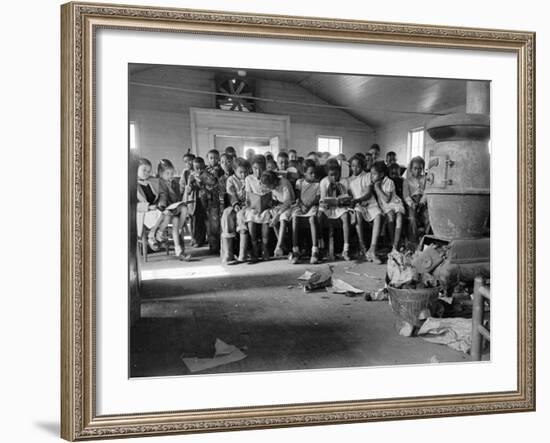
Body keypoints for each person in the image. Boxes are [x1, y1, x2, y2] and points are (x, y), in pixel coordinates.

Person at [346, 155, 383, 263]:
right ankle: (363, 247)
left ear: (362, 166)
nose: (355, 168)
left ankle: (373, 249)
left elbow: (368, 193)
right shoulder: (348, 180)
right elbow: (350, 195)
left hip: (370, 203)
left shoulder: (367, 176)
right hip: (358, 205)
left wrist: (358, 200)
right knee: (357, 214)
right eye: (353, 166)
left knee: (378, 215)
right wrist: (352, 202)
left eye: (358, 166)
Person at [156, 159, 191, 260]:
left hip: (174, 208)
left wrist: (186, 192)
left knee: (177, 219)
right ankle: (178, 248)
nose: (171, 175)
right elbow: (160, 198)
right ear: (160, 173)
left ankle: (179, 250)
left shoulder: (175, 182)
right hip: (163, 210)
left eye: (172, 173)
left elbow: (179, 198)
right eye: (168, 173)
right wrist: (162, 208)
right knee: (180, 212)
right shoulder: (158, 183)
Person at [288, 160, 321, 264]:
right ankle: (295, 250)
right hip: (300, 205)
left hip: (312, 206)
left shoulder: (318, 183)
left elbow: (317, 197)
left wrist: (309, 205)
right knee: (295, 218)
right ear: (304, 173)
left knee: (312, 219)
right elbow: (298, 196)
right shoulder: (300, 182)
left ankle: (314, 250)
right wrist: (302, 205)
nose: (313, 175)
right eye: (311, 173)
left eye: (314, 173)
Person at [318, 163, 353, 261]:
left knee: (346, 216)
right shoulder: (324, 181)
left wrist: (345, 200)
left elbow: (347, 197)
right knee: (319, 215)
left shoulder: (344, 181)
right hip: (328, 207)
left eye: (336, 174)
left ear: (339, 173)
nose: (333, 177)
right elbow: (322, 198)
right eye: (331, 175)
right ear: (327, 174)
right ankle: (321, 245)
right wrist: (323, 203)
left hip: (340, 207)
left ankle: (346, 249)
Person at [371, 160, 406, 253]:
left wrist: (377, 188)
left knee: (399, 217)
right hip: (386, 207)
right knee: (390, 216)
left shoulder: (389, 182)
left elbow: (387, 199)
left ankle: (396, 245)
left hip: (395, 203)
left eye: (374, 174)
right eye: (371, 174)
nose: (372, 176)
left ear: (382, 174)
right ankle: (393, 243)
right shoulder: (373, 184)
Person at [243, 155, 272, 263]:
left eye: (261, 169)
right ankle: (254, 246)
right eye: (255, 169)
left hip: (266, 206)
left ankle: (264, 247)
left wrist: (268, 201)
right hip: (253, 206)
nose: (258, 172)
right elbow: (248, 196)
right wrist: (250, 204)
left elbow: (271, 193)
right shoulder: (248, 179)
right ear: (251, 168)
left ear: (265, 168)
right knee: (250, 218)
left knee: (266, 215)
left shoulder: (268, 177)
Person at [220, 159, 249, 264]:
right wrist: (235, 204)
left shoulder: (249, 179)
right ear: (234, 170)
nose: (243, 174)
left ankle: (242, 253)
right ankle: (228, 252)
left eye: (245, 172)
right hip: (235, 204)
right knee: (227, 215)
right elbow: (231, 194)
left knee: (241, 216)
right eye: (240, 172)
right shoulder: (231, 180)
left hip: (247, 206)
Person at [261, 170, 294, 258]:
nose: (270, 188)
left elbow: (288, 201)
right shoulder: (272, 187)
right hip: (279, 206)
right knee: (272, 219)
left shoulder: (284, 183)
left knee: (282, 219)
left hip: (290, 206)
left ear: (274, 181)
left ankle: (278, 246)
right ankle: (282, 246)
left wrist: (278, 214)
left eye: (270, 186)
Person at [136, 158, 163, 251]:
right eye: (144, 170)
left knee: (167, 212)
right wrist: (148, 207)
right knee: (161, 214)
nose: (146, 173)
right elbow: (131, 204)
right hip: (142, 212)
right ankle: (153, 236)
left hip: (156, 209)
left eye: (148, 171)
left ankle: (153, 235)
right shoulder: (131, 184)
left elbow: (160, 195)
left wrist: (159, 203)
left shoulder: (152, 181)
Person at [403, 156, 430, 241]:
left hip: (423, 202)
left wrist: (422, 203)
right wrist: (413, 204)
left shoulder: (425, 179)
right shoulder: (407, 181)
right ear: (411, 169)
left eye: (420, 168)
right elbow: (406, 195)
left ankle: (426, 239)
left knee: (429, 217)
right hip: (412, 202)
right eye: (415, 168)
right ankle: (413, 240)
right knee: (412, 219)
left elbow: (426, 192)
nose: (417, 171)